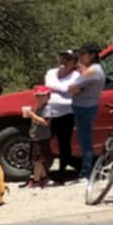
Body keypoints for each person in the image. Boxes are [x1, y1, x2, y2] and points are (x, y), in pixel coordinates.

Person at [43, 46, 81, 181]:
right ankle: (41, 172)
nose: (64, 60)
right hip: (49, 112)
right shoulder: (51, 73)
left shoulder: (76, 76)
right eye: (63, 57)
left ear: (74, 63)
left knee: (64, 144)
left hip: (66, 114)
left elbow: (72, 90)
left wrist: (57, 88)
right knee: (42, 141)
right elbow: (49, 85)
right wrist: (63, 89)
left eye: (68, 59)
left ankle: (62, 172)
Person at [68, 42, 106, 177]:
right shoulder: (96, 70)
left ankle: (86, 173)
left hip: (84, 108)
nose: (80, 57)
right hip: (88, 107)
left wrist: (77, 84)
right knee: (85, 141)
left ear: (91, 55)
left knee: (85, 142)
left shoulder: (92, 71)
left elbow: (71, 88)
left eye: (83, 54)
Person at [25, 87, 55, 187]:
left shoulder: (47, 108)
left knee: (37, 160)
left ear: (48, 97)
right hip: (35, 137)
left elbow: (45, 122)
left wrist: (32, 115)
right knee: (35, 160)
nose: (39, 98)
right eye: (37, 96)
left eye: (42, 96)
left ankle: (36, 181)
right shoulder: (37, 107)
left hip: (42, 138)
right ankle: (45, 178)